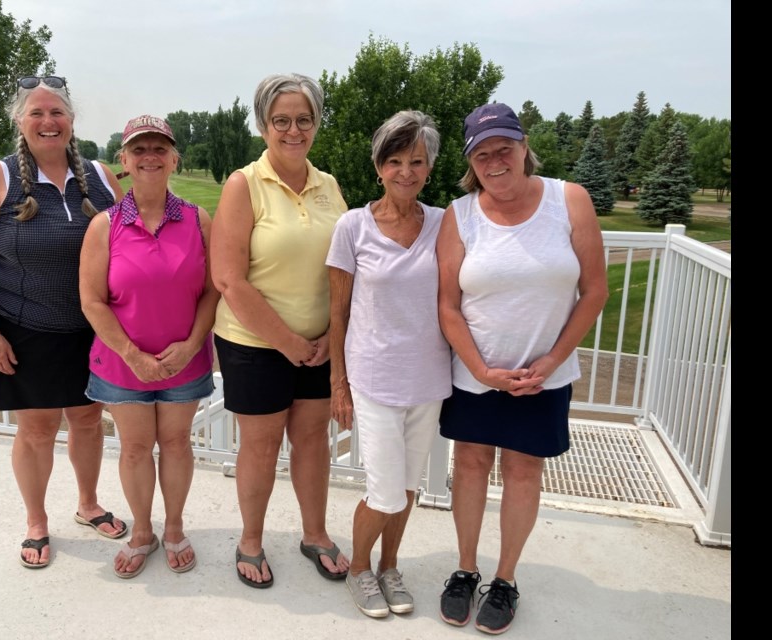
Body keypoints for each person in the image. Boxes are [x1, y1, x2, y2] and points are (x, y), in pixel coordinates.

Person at [436, 102, 608, 633]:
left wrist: (553, 359)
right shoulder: (459, 214)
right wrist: (481, 370)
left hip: (543, 376)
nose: (495, 162)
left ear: (523, 145)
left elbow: (594, 290)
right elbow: (446, 304)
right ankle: (465, 569)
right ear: (471, 161)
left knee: (523, 470)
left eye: (504, 149)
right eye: (482, 154)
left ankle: (505, 580)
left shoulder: (568, 200)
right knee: (469, 466)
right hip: (475, 374)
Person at [0, 75, 127, 569]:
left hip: (90, 330)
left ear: (72, 122)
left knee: (89, 420)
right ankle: (36, 520)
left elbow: (127, 247)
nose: (48, 122)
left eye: (57, 113)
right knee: (36, 430)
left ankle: (89, 504)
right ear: (20, 121)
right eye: (37, 113)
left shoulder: (99, 175)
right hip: (24, 329)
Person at [211, 73, 350, 588]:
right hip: (255, 344)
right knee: (262, 445)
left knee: (313, 441)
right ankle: (250, 540)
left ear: (316, 124)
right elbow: (228, 278)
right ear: (264, 126)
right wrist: (288, 342)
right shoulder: (243, 184)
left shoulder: (329, 185)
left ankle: (314, 533)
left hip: (319, 346)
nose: (294, 130)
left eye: (304, 120)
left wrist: (326, 340)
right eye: (282, 121)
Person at [80, 115, 217, 579]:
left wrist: (192, 342)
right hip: (123, 365)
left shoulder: (199, 220)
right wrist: (133, 355)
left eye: (160, 148)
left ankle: (174, 528)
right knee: (136, 448)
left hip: (185, 358)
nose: (150, 157)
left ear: (174, 158)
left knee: (176, 443)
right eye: (139, 150)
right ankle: (143, 531)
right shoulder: (104, 226)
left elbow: (213, 291)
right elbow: (92, 302)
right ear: (124, 160)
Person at [327, 111, 451, 618]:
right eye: (395, 160)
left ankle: (389, 566)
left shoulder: (446, 224)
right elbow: (337, 310)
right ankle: (360, 568)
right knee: (383, 491)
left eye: (416, 161)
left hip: (428, 379)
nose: (406, 171)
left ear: (429, 167)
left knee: (406, 487)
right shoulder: (352, 227)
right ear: (379, 166)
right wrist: (338, 382)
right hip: (373, 379)